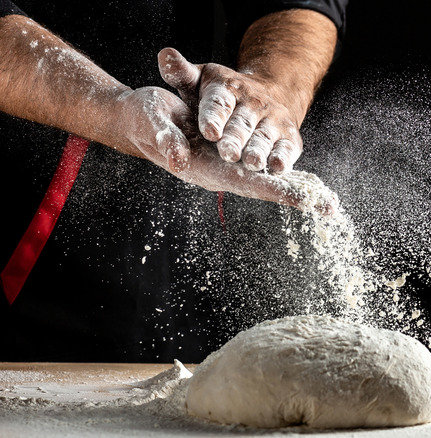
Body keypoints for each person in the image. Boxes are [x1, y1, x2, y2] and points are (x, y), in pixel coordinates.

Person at [0, 0, 347, 361]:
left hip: (197, 206)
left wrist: (270, 87)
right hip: (35, 249)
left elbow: (299, 6)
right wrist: (114, 107)